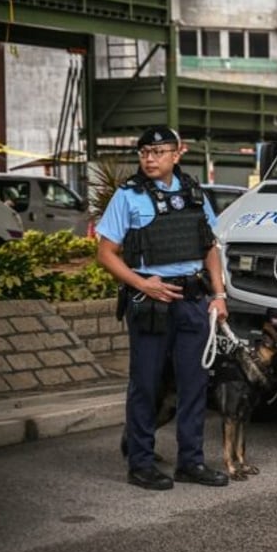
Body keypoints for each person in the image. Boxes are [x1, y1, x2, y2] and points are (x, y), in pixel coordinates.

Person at [96, 125, 230, 491]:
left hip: (191, 299)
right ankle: (140, 463)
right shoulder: (128, 196)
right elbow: (106, 253)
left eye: (158, 152)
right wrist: (142, 283)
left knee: (194, 384)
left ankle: (191, 462)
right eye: (144, 153)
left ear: (178, 153)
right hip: (149, 302)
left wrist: (218, 296)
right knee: (146, 384)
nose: (150, 159)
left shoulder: (194, 194)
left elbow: (209, 248)